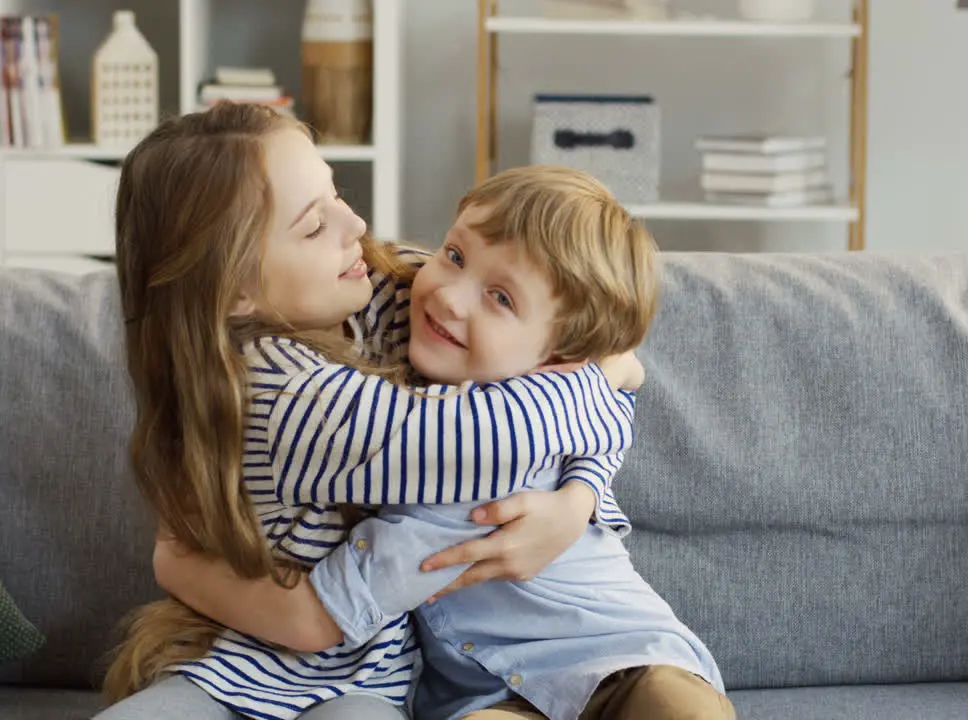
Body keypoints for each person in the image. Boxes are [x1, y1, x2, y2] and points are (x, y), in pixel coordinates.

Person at [97, 102, 639, 720]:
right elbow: (476, 440)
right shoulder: (278, 388)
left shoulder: (362, 296)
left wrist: (581, 497)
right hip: (240, 668)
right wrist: (606, 374)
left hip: (370, 684)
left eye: (337, 195)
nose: (354, 223)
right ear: (236, 289)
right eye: (311, 226)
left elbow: (576, 318)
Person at [158, 165, 735, 720]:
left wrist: (579, 494)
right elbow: (614, 382)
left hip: (623, 654)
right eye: (455, 255)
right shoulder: (397, 427)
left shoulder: (505, 433)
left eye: (501, 298)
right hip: (486, 696)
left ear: (558, 359)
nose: (450, 296)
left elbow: (612, 384)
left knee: (676, 707)